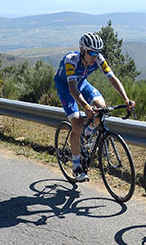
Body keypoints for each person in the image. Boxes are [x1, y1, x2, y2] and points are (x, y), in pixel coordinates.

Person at [54, 32, 135, 181]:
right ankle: (77, 165)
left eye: (97, 52)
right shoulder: (71, 60)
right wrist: (85, 106)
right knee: (77, 124)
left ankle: (88, 133)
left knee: (101, 108)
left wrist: (126, 99)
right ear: (83, 50)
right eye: (91, 52)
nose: (94, 56)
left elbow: (112, 78)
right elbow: (72, 89)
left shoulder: (98, 58)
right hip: (66, 87)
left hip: (82, 83)